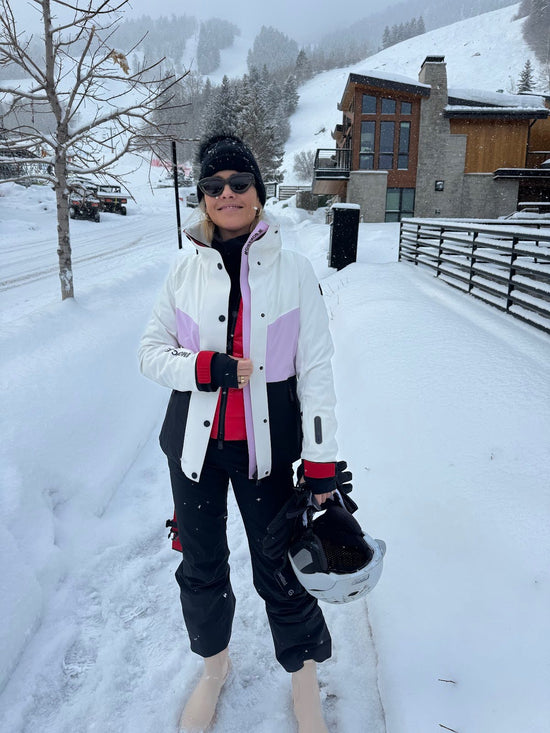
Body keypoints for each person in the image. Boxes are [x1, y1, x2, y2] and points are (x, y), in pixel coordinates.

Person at [139, 134, 339, 733]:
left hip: (266, 448)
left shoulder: (294, 270)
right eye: (213, 185)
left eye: (239, 183)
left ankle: (304, 678)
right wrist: (204, 368)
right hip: (194, 449)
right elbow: (150, 354)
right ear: (202, 196)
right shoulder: (183, 268)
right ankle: (213, 666)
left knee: (280, 563)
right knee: (200, 564)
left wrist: (322, 460)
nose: (227, 194)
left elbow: (319, 370)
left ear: (258, 191)